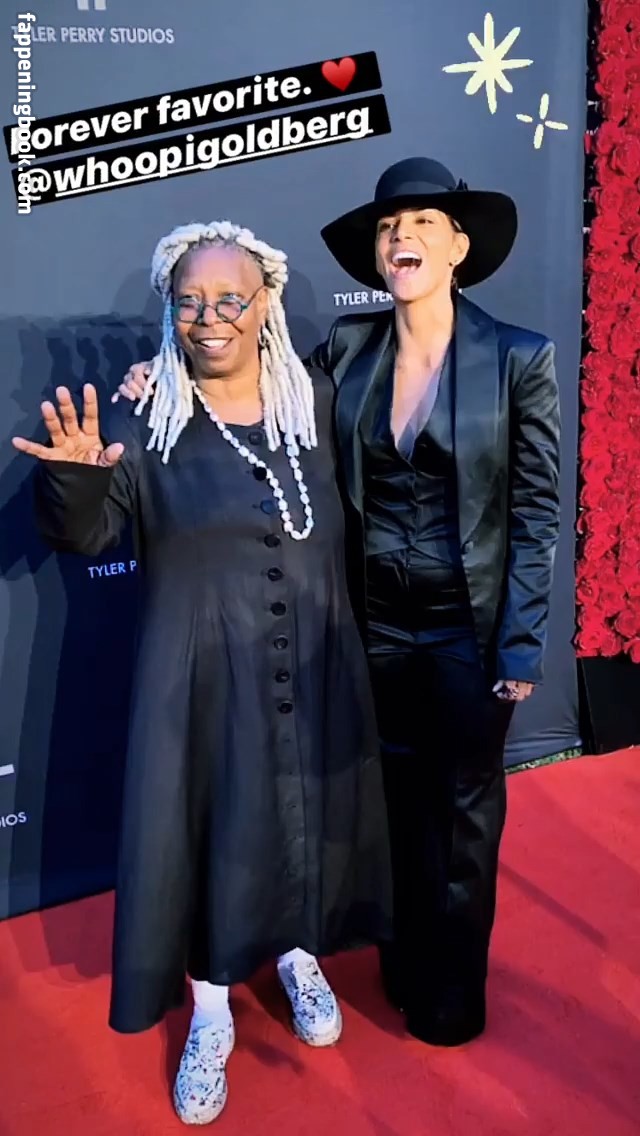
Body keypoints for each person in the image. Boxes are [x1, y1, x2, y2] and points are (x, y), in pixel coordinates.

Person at [117, 156, 562, 1049]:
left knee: (463, 814)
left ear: (459, 247)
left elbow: (537, 509)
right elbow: (247, 383)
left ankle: (449, 987)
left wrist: (520, 644)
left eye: (424, 224)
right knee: (387, 804)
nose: (403, 237)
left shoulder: (520, 357)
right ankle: (396, 958)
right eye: (391, 226)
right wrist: (155, 376)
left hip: (469, 629)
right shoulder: (346, 356)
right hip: (368, 629)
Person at [13, 220, 392, 1125]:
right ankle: (212, 1012)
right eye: (189, 302)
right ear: (170, 314)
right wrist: (73, 479)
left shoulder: (318, 400)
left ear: (266, 304)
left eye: (229, 299)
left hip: (317, 664)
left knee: (307, 821)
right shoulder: (147, 418)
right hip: (200, 684)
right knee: (210, 833)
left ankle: (299, 957)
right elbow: (87, 534)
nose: (209, 317)